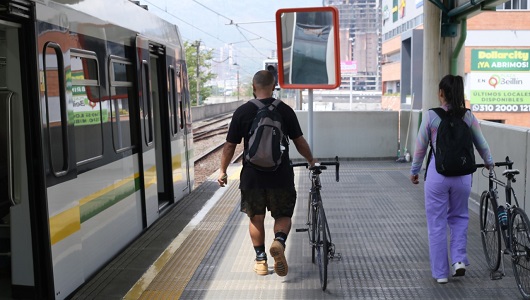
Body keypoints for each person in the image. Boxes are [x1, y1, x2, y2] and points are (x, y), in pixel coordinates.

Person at [217, 70, 317, 277]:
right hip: (281, 175)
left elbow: (229, 146)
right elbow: (299, 142)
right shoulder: (285, 111)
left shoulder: (242, 112)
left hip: (252, 178)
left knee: (256, 218)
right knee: (283, 215)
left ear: (254, 87)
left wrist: (223, 171)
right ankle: (279, 242)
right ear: (274, 86)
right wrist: (311, 161)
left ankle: (261, 261)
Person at [409, 74, 493, 284]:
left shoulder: (431, 117)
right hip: (463, 177)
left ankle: (440, 274)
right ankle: (458, 261)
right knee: (459, 218)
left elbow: (420, 148)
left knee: (436, 224)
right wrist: (489, 162)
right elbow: (481, 144)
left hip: (438, 176)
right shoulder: (468, 117)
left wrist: (414, 170)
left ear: (441, 93)